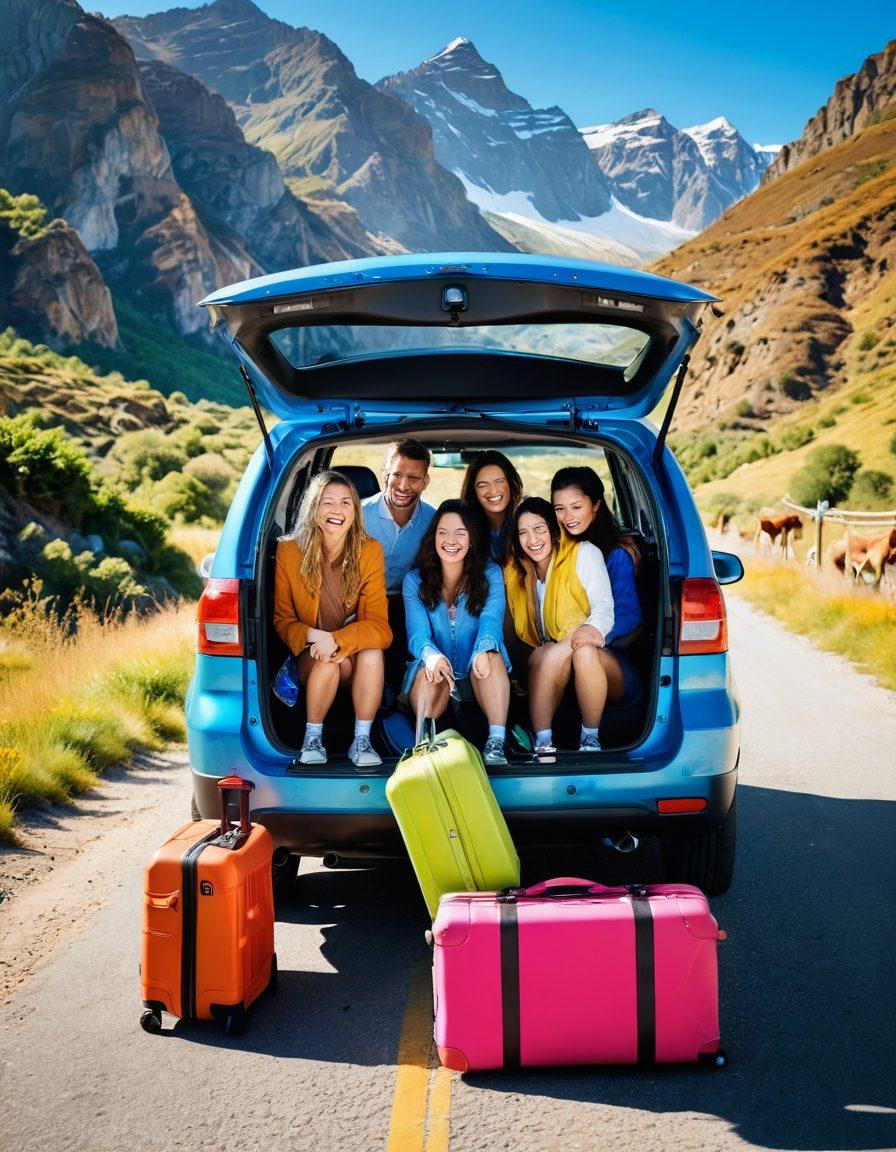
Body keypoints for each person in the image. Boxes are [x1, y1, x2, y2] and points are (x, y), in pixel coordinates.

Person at [274, 470, 392, 768]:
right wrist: (320, 639)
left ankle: (362, 741)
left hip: (354, 657)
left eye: (345, 503)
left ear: (355, 511)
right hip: (311, 655)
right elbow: (283, 620)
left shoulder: (370, 551)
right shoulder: (289, 551)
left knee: (373, 652)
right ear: (314, 509)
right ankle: (312, 739)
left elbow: (380, 628)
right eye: (328, 502)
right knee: (327, 660)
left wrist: (337, 640)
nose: (337, 511)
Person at [402, 499, 512, 766]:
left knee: (491, 653)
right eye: (443, 532)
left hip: (479, 675)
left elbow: (491, 620)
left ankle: (496, 743)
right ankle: (423, 745)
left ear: (471, 539)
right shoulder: (414, 580)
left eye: (460, 533)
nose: (451, 540)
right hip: (439, 676)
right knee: (430, 673)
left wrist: (483, 649)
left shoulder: (491, 574)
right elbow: (418, 636)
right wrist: (432, 658)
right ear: (433, 537)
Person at [504, 497, 616, 754]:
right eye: (523, 532)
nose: (532, 539)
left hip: (600, 661)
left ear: (555, 529)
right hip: (552, 667)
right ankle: (544, 745)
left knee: (581, 650)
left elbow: (604, 608)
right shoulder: (520, 573)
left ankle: (590, 740)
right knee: (546, 652)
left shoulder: (584, 553)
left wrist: (582, 634)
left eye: (540, 529)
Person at [550, 466, 645, 722]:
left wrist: (588, 635)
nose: (568, 516)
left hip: (612, 662)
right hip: (568, 654)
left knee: (583, 652)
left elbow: (629, 615)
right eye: (560, 509)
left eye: (576, 507)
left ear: (596, 505)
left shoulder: (616, 554)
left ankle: (590, 737)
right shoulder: (557, 551)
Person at [362, 438, 436, 591]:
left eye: (413, 478)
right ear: (385, 475)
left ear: (426, 482)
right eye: (397, 475)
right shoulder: (357, 515)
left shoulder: (434, 521)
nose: (403, 486)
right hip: (361, 601)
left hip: (411, 602)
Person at [460, 450, 523, 565]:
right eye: (483, 485)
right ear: (473, 492)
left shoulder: (527, 522)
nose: (493, 490)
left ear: (511, 483)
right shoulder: (465, 529)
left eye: (499, 481)